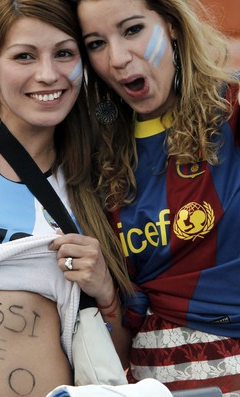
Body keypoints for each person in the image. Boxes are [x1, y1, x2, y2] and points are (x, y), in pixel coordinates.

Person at [0, 0, 133, 396]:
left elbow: (113, 361)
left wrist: (106, 293)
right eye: (24, 56)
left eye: (64, 53)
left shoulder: (99, 182)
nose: (48, 74)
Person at [65, 0, 240, 395]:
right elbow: (123, 323)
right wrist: (107, 292)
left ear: (172, 25)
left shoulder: (232, 108)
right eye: (96, 43)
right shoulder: (94, 156)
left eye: (132, 30)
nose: (118, 58)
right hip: (150, 381)